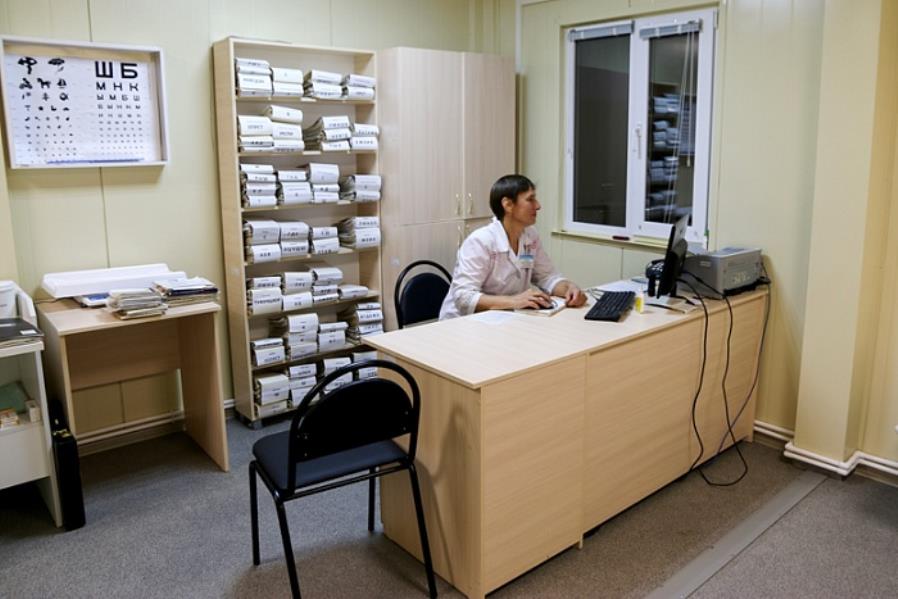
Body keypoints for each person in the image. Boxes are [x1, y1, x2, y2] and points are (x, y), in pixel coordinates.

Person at [439, 174, 587, 320]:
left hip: (505, 317)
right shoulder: (481, 241)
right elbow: (463, 297)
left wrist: (569, 288)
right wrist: (514, 301)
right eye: (530, 199)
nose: (538, 206)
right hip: (462, 323)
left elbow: (547, 277)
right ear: (508, 205)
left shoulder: (530, 235)